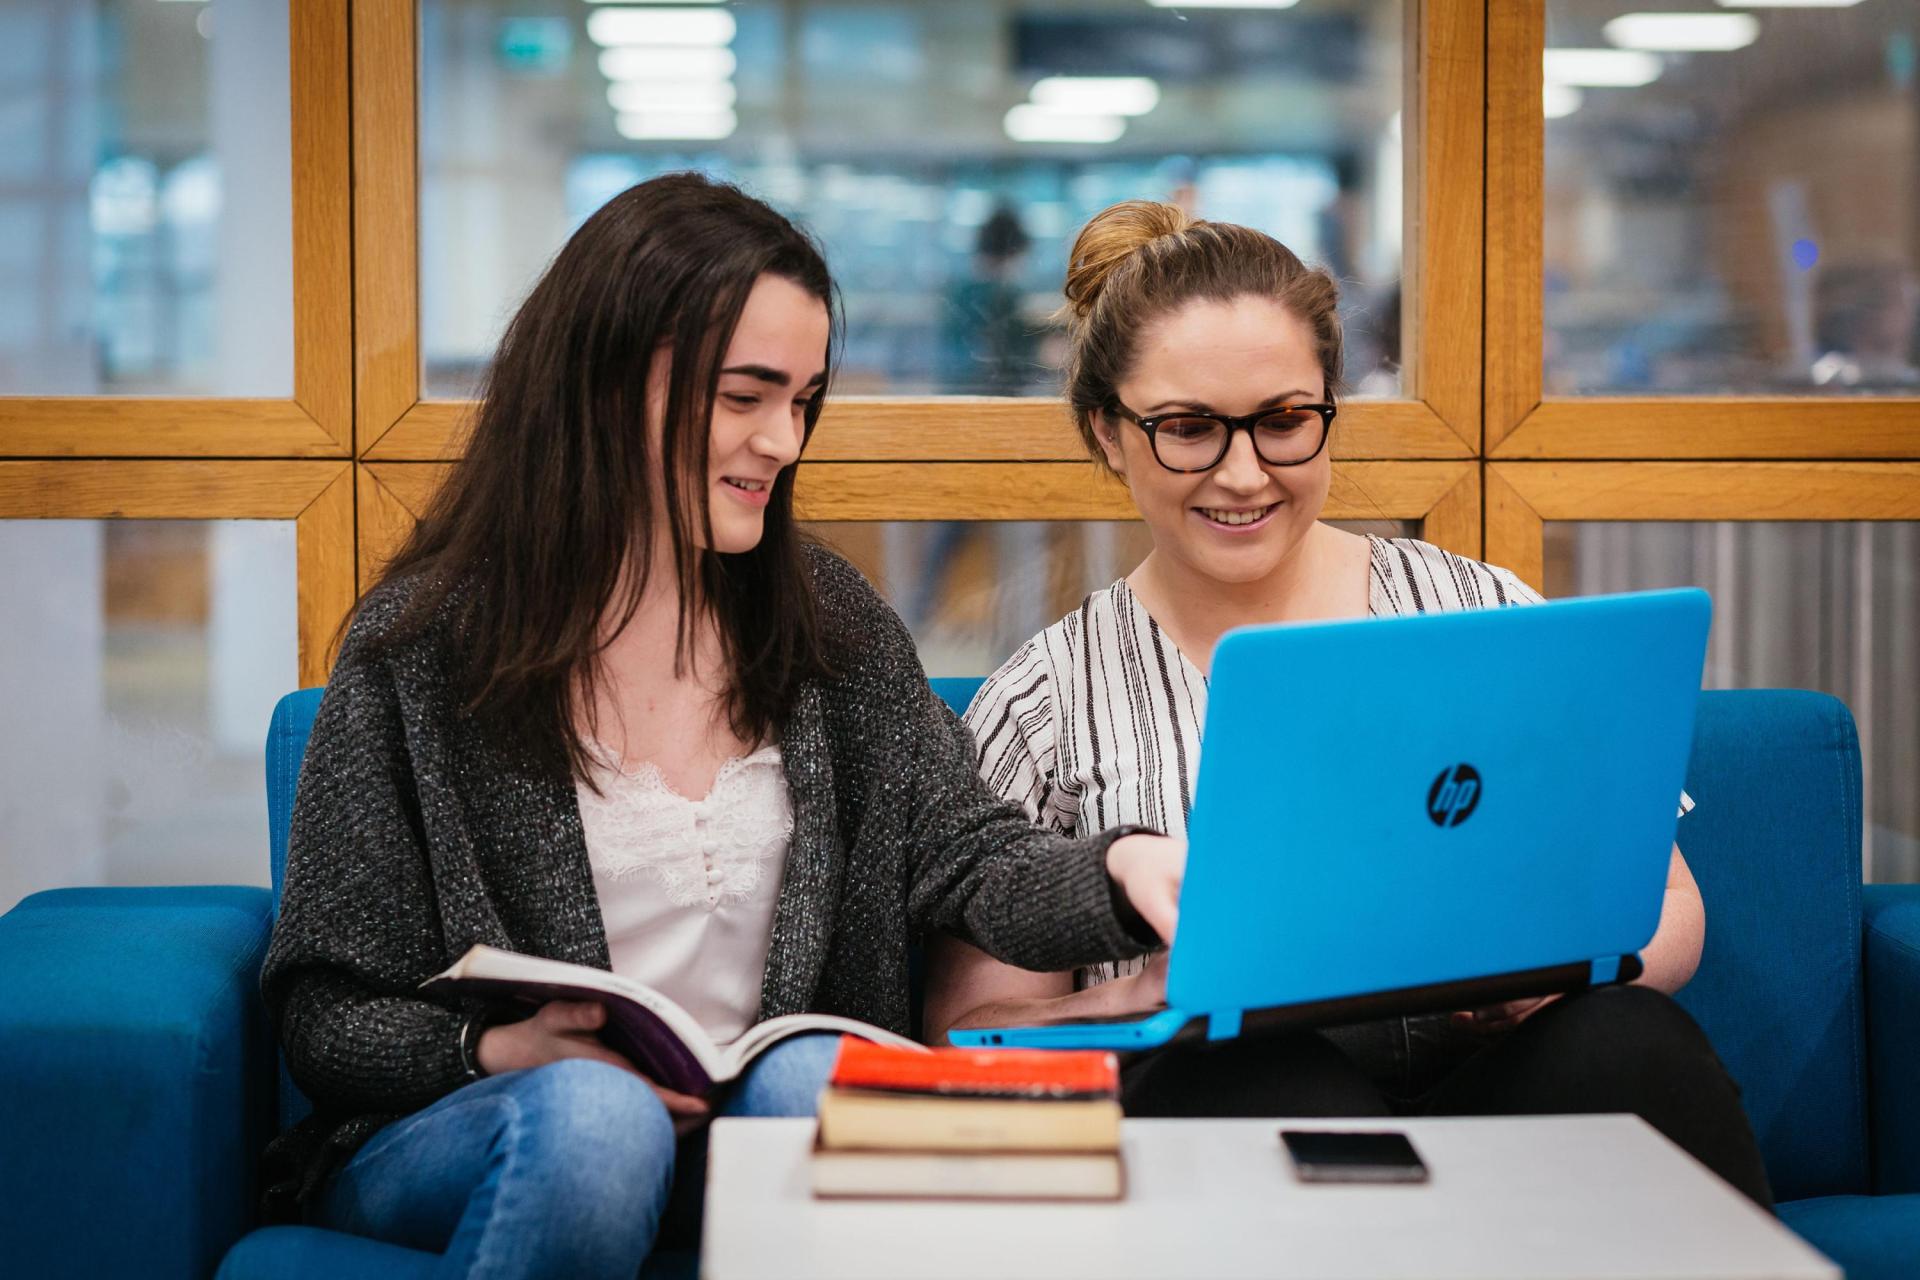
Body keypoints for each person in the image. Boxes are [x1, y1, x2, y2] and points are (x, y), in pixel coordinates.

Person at [259, 174, 1184, 1277]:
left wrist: (1122, 871)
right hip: (486, 1130)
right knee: (599, 1116)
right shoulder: (420, 650)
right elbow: (322, 1014)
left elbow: (967, 854)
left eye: (802, 398)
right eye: (746, 395)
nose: (783, 439)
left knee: (817, 1084)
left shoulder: (829, 628)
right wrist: (502, 1045)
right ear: (607, 381)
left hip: (747, 1128)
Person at [924, 199, 1773, 1207]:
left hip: (1498, 1089)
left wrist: (1559, 978)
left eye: (1285, 420)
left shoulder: (1485, 613)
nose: (1244, 473)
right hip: (1228, 1118)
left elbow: (1671, 907)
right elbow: (968, 1026)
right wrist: (1148, 995)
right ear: (1109, 433)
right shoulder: (1044, 695)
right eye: (1188, 429)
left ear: (1331, 407)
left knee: (1630, 1041)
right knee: (1272, 1078)